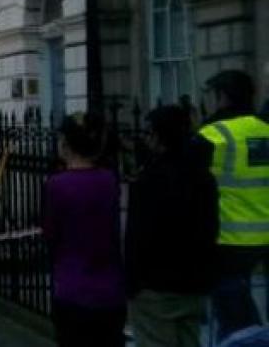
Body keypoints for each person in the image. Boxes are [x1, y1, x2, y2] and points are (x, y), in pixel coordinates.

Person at [126, 105, 218, 347]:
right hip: (193, 283)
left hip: (155, 287)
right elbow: (210, 228)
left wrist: (132, 283)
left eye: (148, 133)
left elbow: (138, 236)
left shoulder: (149, 179)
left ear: (158, 137)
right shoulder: (203, 176)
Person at [197, 70, 269, 341]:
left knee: (235, 323)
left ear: (223, 97)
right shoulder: (266, 130)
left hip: (230, 237)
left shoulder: (212, 135)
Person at [43, 112, 126, 347]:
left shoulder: (57, 184)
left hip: (72, 285)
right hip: (110, 288)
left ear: (65, 144)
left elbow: (51, 235)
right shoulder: (109, 180)